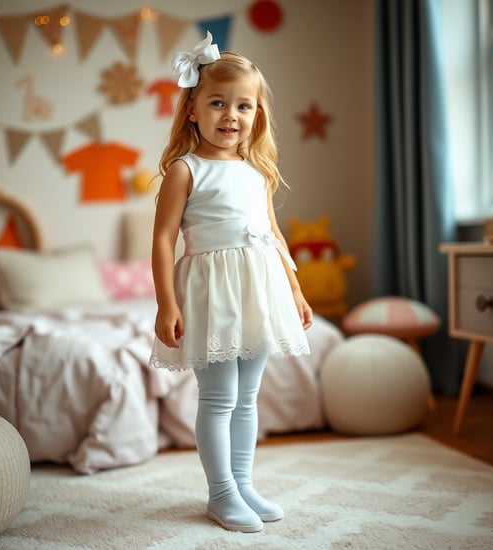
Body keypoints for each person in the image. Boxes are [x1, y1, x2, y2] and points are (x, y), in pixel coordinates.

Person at [149, 32, 313, 533]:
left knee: (248, 396)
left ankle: (242, 483)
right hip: (213, 294)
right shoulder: (185, 170)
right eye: (218, 103)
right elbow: (162, 241)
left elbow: (274, 235)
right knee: (219, 397)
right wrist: (166, 305)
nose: (231, 115)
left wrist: (295, 289)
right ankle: (220, 494)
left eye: (244, 105)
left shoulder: (256, 171)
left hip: (258, 291)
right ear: (193, 109)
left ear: (256, 114)